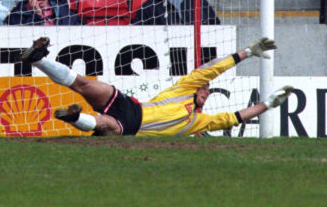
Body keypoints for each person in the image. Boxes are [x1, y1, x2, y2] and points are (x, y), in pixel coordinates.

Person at [23, 36, 294, 137]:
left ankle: (74, 117)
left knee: (105, 124)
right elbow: (214, 68)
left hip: (133, 128)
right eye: (204, 88)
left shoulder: (197, 122)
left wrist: (267, 105)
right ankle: (39, 60)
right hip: (130, 106)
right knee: (84, 84)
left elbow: (234, 118)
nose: (206, 91)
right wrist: (247, 52)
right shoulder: (183, 89)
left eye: (208, 90)